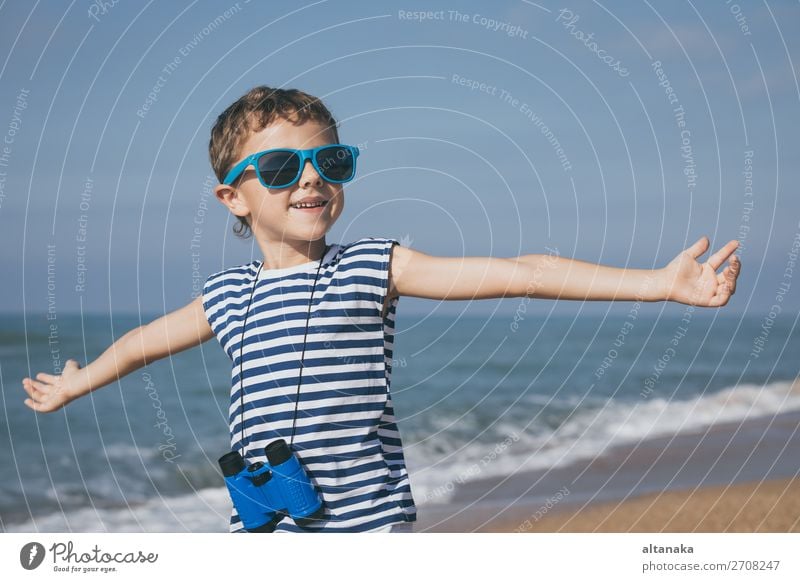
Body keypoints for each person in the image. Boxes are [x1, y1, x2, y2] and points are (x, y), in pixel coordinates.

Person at [21, 86, 741, 533]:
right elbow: (145, 343)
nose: (310, 179)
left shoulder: (373, 267)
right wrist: (78, 383)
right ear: (233, 198)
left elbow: (524, 272)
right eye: (279, 168)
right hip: (265, 526)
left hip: (369, 533)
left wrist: (657, 282)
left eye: (329, 163)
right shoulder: (227, 296)